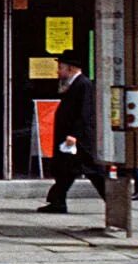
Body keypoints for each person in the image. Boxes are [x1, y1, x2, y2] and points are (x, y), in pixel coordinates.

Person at [40, 49, 107, 214]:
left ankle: (112, 199)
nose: (58, 71)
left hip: (79, 139)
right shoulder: (73, 84)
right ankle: (57, 202)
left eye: (60, 67)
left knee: (93, 171)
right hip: (71, 138)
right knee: (65, 171)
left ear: (70, 68)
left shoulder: (83, 84)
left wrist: (74, 135)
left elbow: (84, 112)